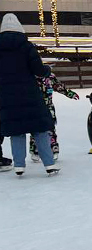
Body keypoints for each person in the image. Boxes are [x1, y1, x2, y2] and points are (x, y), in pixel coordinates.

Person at [0, 13, 60, 175]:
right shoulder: (26, 46)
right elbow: (39, 70)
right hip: (29, 93)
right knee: (40, 128)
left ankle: (19, 165)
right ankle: (49, 164)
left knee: (16, 131)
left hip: (6, 95)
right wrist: (48, 70)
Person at [29, 72, 78, 162]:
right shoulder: (29, 76)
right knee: (35, 129)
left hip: (48, 107)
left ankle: (53, 149)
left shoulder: (50, 76)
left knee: (50, 129)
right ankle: (35, 151)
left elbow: (58, 86)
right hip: (34, 107)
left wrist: (70, 93)